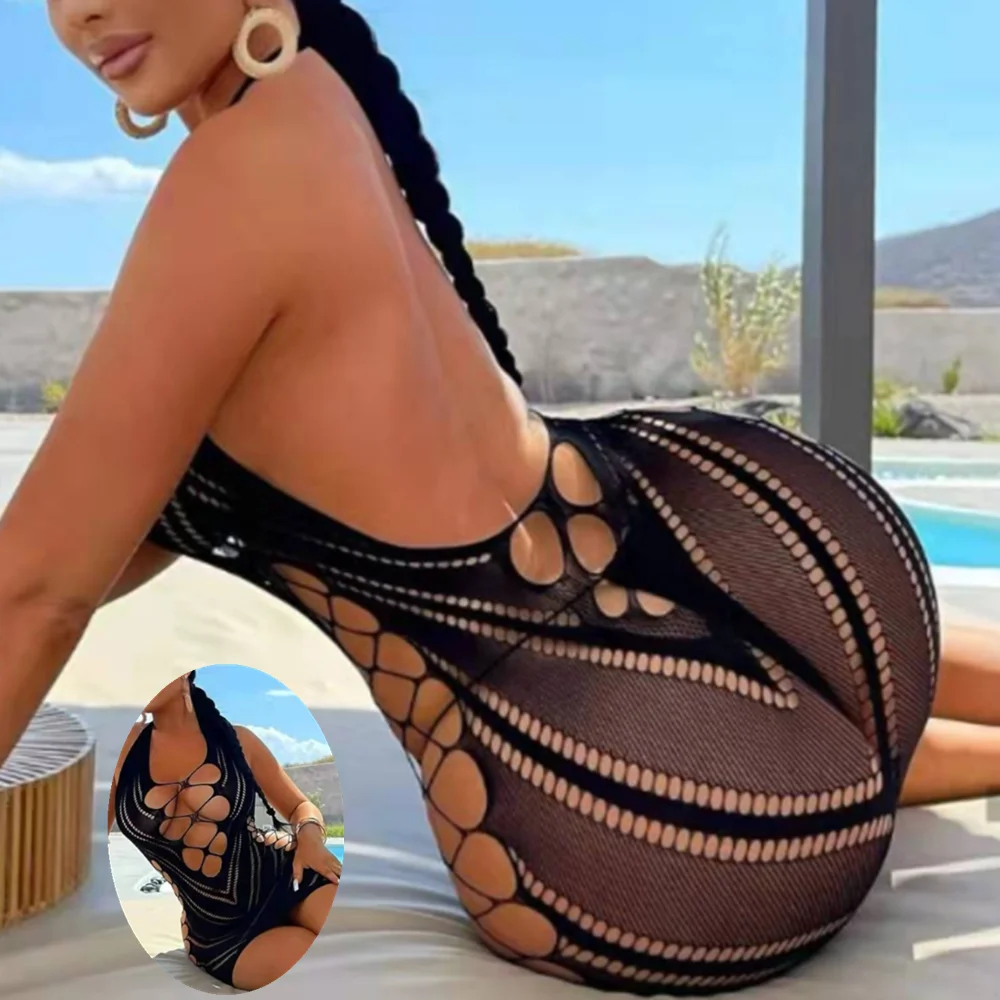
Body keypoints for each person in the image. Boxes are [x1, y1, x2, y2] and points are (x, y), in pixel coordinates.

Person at [1, 0, 999, 993]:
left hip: (624, 799)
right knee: (792, 736)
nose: (82, 9)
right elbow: (79, 555)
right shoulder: (313, 101)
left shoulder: (231, 179)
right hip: (748, 560)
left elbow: (38, 593)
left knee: (769, 747)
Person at [109, 669, 342, 989]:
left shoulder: (237, 741)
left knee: (358, 947)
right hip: (220, 935)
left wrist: (311, 839)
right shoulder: (119, 753)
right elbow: (79, 842)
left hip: (291, 876)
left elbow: (300, 806)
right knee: (322, 976)